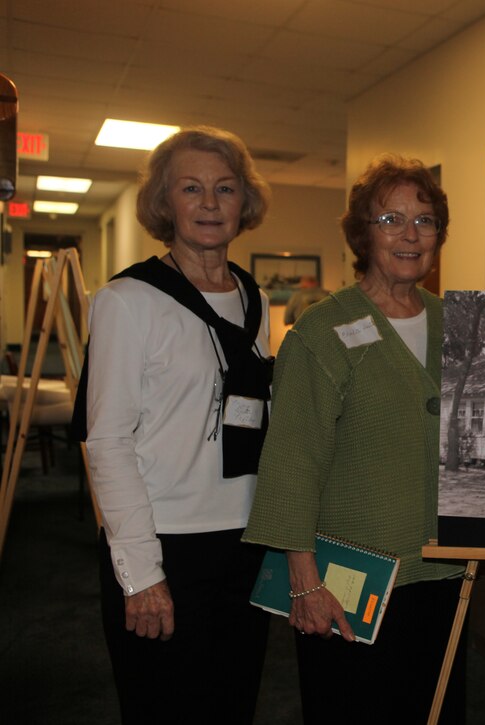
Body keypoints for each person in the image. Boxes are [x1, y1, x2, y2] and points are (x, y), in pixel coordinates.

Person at [243, 155, 466, 723]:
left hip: (443, 574)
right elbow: (292, 458)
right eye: (390, 220)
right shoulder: (322, 331)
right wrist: (303, 582)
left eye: (425, 220)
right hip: (348, 583)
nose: (410, 235)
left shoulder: (461, 326)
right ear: (362, 235)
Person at [85, 127, 274, 724]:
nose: (211, 203)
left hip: (245, 540)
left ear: (245, 200)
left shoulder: (253, 296)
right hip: (163, 543)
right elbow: (107, 442)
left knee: (233, 705)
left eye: (226, 187)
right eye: (191, 188)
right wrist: (140, 574)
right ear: (164, 203)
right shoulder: (128, 300)